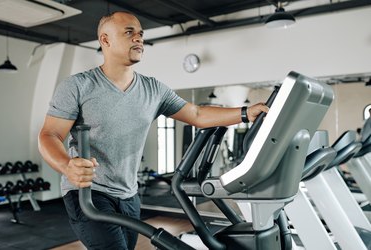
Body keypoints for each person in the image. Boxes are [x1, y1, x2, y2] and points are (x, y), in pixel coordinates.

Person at [38, 11, 269, 250]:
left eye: (140, 34)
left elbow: (196, 115)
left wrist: (244, 113)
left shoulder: (153, 89)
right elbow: (49, 135)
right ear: (105, 40)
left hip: (129, 194)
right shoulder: (78, 86)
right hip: (88, 193)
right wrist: (67, 166)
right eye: (129, 33)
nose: (139, 39)